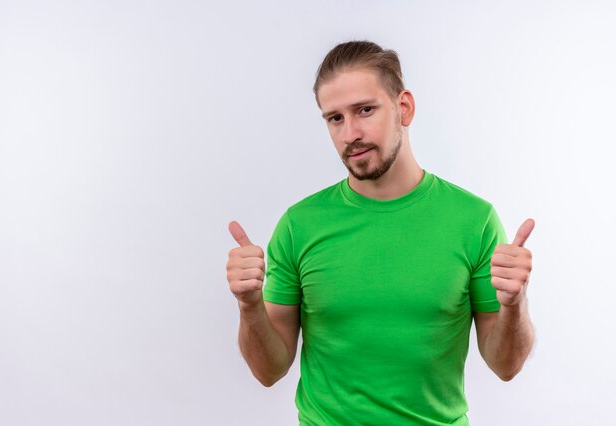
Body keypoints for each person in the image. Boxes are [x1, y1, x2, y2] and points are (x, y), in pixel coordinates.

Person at [226, 40, 535, 425]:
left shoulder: (474, 220)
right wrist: (249, 306)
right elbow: (268, 371)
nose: (349, 133)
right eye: (334, 118)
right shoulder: (299, 225)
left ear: (404, 108)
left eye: (364, 110)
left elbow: (505, 366)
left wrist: (515, 303)